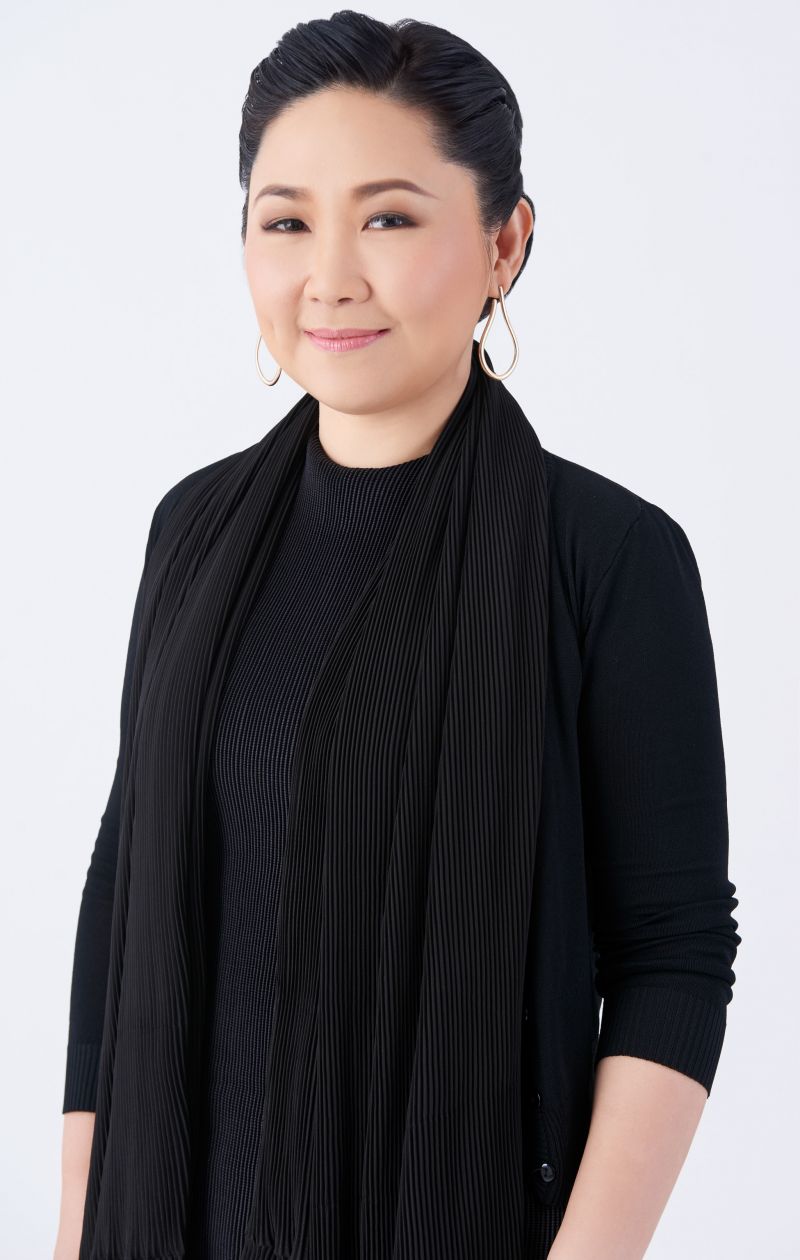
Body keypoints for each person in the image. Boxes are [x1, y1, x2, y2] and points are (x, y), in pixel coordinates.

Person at [54, 13, 741, 1260]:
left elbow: (671, 955)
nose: (328, 276)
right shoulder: (190, 533)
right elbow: (124, 888)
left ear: (503, 242)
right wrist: (73, 1232)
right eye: (285, 222)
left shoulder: (605, 558)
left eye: (386, 218)